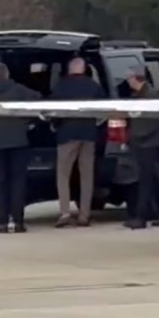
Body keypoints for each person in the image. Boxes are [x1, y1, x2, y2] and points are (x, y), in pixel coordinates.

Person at [0, 62, 41, 233]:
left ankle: (2, 223)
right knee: (17, 182)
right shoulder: (19, 90)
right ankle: (18, 222)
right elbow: (38, 101)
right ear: (7, 75)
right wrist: (26, 121)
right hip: (18, 140)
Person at [50, 57, 105, 228]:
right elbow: (103, 110)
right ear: (84, 69)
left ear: (69, 69)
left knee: (63, 175)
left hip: (67, 135)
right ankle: (84, 215)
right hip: (88, 135)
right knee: (87, 175)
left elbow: (54, 111)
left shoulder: (61, 86)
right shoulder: (94, 86)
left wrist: (55, 125)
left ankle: (65, 213)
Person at [124, 68, 159, 229]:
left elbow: (158, 119)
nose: (128, 82)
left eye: (129, 78)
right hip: (142, 143)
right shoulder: (139, 96)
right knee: (153, 180)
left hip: (149, 144)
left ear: (136, 79)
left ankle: (141, 216)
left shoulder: (152, 96)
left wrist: (136, 135)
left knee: (146, 181)